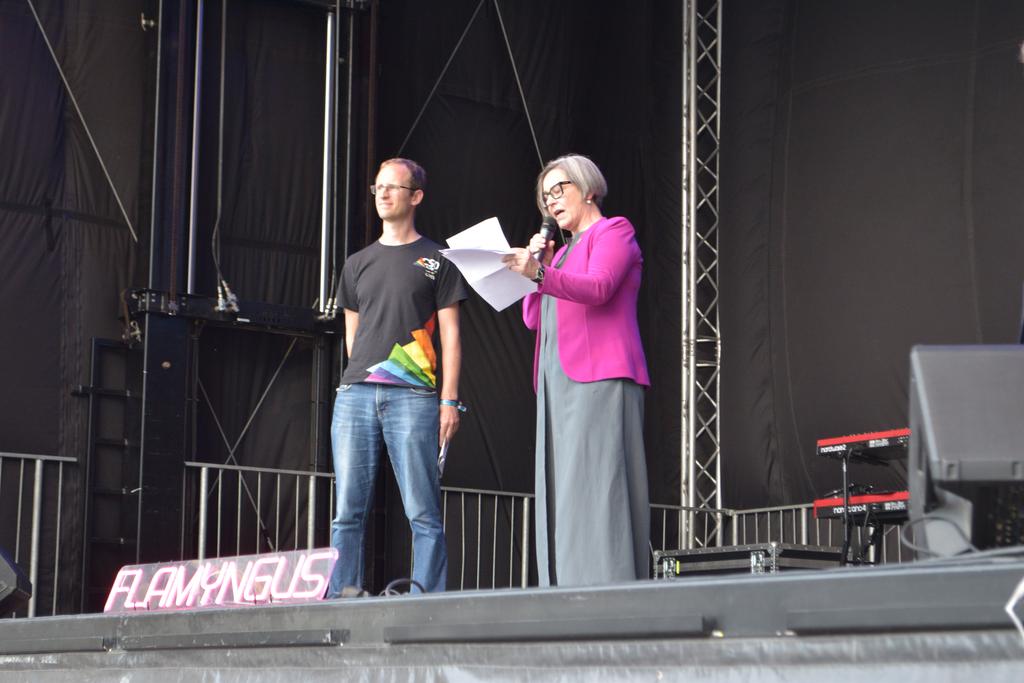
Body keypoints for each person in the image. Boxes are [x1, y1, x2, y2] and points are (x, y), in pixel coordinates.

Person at [502, 154, 650, 587]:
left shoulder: (613, 231)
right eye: (545, 196)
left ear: (588, 189)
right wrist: (540, 269)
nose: (551, 202)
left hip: (599, 376)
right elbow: (533, 318)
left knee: (598, 487)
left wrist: (540, 272)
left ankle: (606, 587)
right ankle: (564, 588)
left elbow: (600, 287)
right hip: (557, 381)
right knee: (563, 490)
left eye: (558, 190)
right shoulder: (562, 253)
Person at [327, 158, 468, 596]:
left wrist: (449, 400)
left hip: (414, 395)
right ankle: (342, 596)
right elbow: (352, 333)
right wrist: (365, 373)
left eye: (394, 187)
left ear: (416, 196)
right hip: (356, 393)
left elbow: (451, 336)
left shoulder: (437, 260)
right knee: (347, 511)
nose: (383, 194)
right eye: (378, 187)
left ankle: (426, 599)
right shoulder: (357, 263)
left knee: (422, 511)